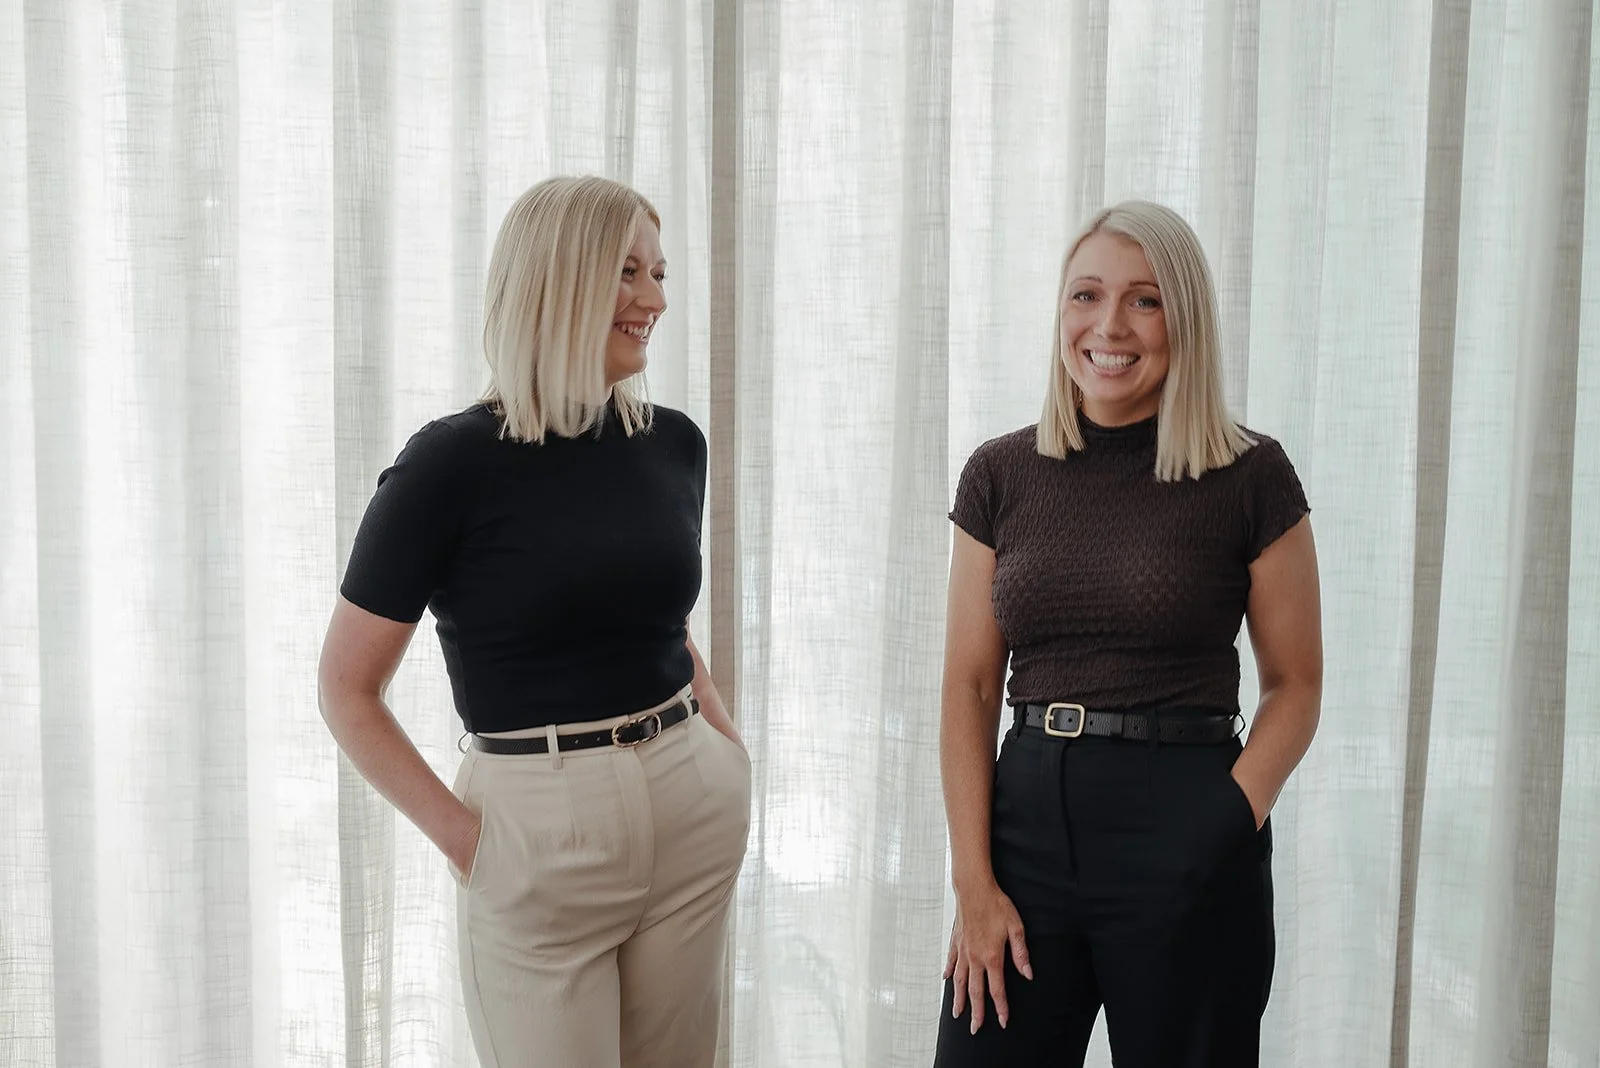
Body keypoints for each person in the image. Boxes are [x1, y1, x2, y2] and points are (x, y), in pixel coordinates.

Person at [317, 175, 751, 1068]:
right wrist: (468, 843)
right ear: (559, 279)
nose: (655, 299)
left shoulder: (674, 443)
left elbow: (654, 612)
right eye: (628, 272)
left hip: (689, 803)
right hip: (537, 833)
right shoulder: (446, 466)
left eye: (659, 272)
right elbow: (346, 689)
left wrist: (721, 742)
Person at [933, 200, 1322, 1067]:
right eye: (1087, 296)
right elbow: (967, 685)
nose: (1110, 325)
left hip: (1189, 815)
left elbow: (1295, 684)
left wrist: (1229, 817)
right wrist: (974, 880)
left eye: (1145, 300)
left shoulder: (1251, 474)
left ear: (1185, 317)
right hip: (1026, 821)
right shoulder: (999, 473)